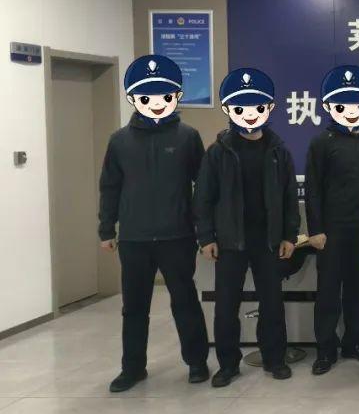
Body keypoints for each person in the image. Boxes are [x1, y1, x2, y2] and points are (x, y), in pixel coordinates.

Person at [98, 55, 209, 393]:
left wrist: (204, 230)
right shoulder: (119, 141)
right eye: (147, 97)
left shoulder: (188, 137)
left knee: (185, 301)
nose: (157, 103)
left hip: (178, 236)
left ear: (176, 96)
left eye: (164, 96)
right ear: (133, 98)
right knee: (134, 307)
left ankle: (197, 362)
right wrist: (107, 228)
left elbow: (204, 188)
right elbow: (110, 186)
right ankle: (132, 368)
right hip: (134, 239)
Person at [194, 68, 300, 387]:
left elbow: (288, 197)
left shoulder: (279, 151)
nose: (250, 114)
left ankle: (275, 359)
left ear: (269, 108)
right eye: (241, 107)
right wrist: (206, 237)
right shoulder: (218, 152)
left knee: (272, 304)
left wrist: (289, 235)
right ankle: (228, 365)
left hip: (268, 241)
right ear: (229, 109)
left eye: (258, 106)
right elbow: (203, 197)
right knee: (226, 307)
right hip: (230, 241)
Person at [305, 65, 359, 375]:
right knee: (328, 291)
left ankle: (354, 342)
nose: (351, 112)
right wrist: (316, 230)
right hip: (331, 231)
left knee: (358, 289)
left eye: (358, 105)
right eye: (342, 105)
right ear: (329, 107)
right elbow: (313, 189)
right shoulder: (321, 142)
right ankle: (325, 349)